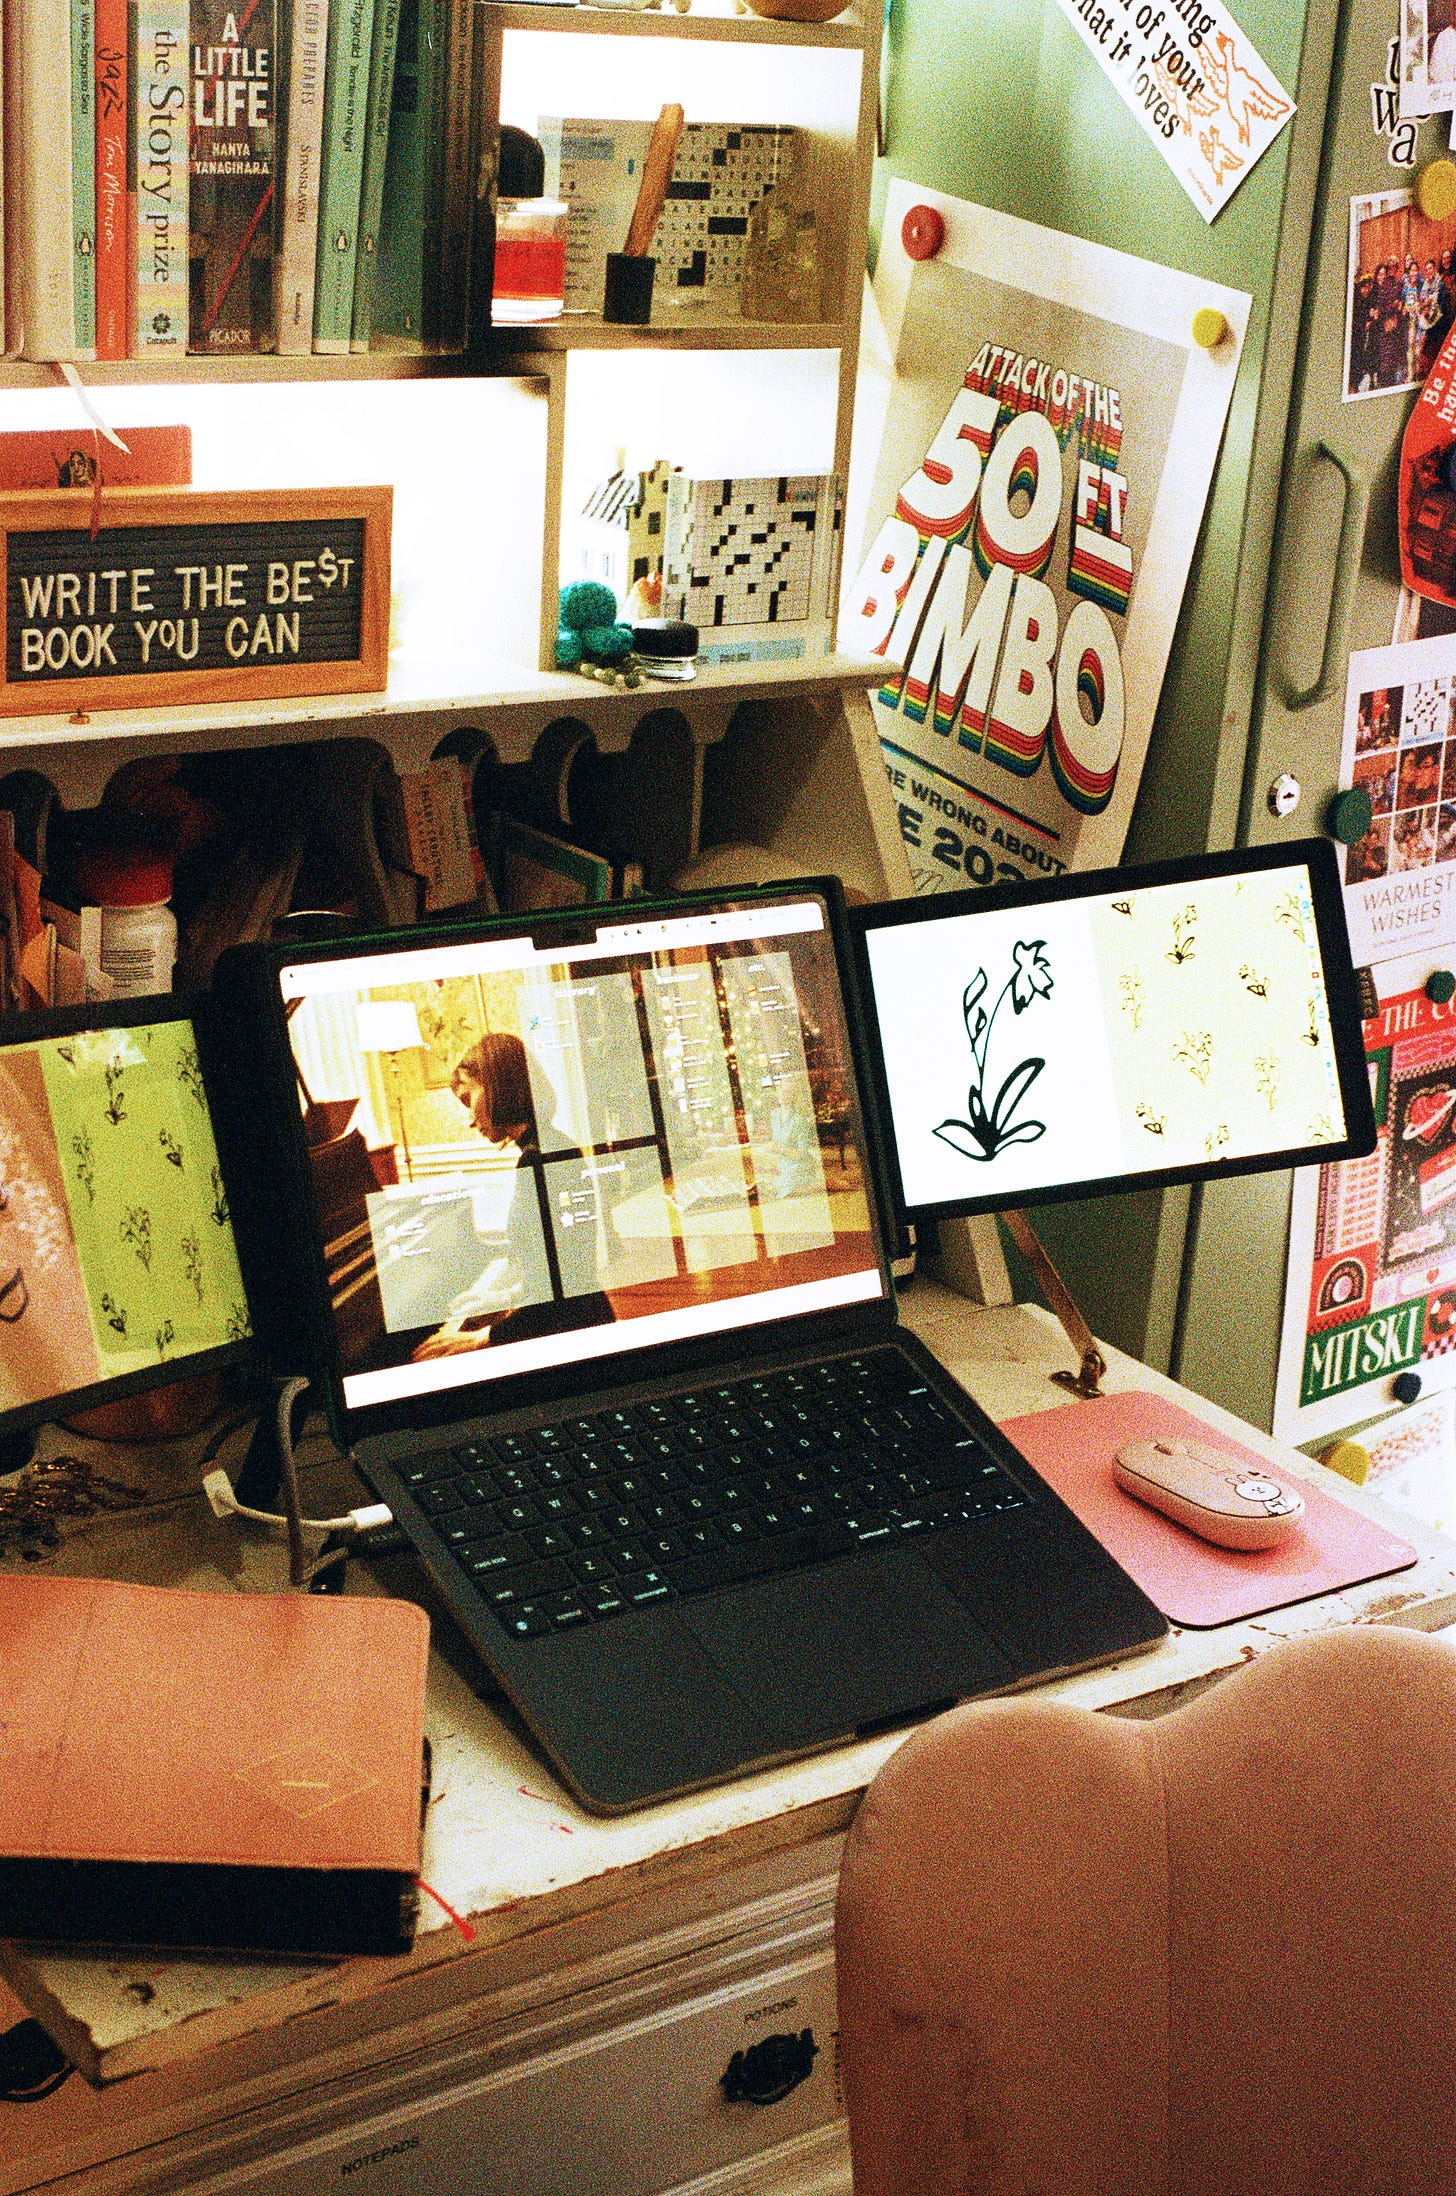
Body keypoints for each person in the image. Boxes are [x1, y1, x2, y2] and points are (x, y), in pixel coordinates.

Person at [412, 1031, 613, 1360]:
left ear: (494, 1088)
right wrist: (498, 1298)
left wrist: (483, 1337)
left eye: (467, 1100)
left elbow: (562, 1290)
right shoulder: (550, 1145)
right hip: (577, 1323)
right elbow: (553, 1274)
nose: (469, 1120)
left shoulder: (540, 1157)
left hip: (574, 1341)